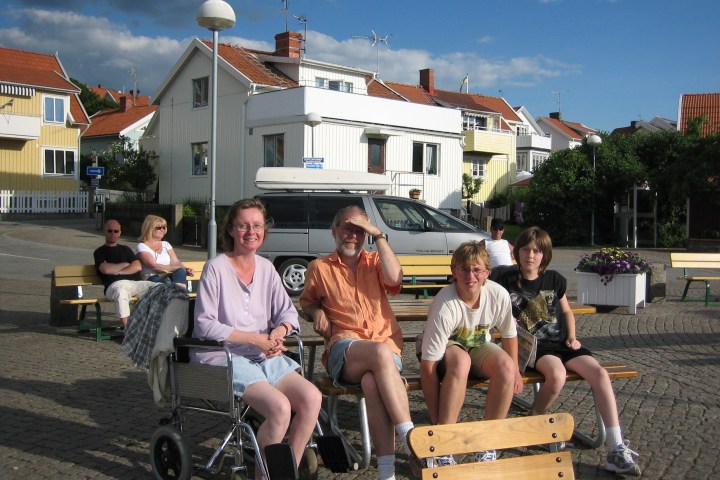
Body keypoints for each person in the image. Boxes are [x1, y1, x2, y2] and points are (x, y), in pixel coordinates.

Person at [493, 226, 641, 477]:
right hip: (535, 347)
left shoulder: (554, 279)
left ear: (545, 255)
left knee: (600, 375)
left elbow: (567, 312)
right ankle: (536, 419)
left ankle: (616, 447)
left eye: (537, 251)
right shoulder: (504, 279)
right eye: (526, 250)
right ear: (516, 252)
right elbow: (491, 305)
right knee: (557, 375)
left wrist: (572, 337)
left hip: (563, 343)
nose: (530, 255)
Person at [191, 199, 321, 479]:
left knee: (311, 397)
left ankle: (287, 471)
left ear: (265, 230)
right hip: (222, 355)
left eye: (257, 225)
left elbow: (288, 312)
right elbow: (204, 325)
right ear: (231, 230)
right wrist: (254, 339)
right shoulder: (216, 268)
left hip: (263, 354)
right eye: (244, 225)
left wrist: (279, 332)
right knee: (279, 407)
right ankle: (264, 476)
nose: (252, 231)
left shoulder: (266, 268)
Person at [300, 205, 414, 480]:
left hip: (384, 345)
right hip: (345, 349)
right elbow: (307, 302)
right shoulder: (320, 267)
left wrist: (380, 236)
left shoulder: (375, 261)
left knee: (372, 382)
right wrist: (316, 313)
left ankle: (386, 471)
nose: (353, 235)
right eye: (347, 228)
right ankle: (410, 437)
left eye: (359, 230)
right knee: (380, 353)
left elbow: (395, 279)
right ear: (334, 231)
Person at [418, 241, 522, 467]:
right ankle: (444, 444)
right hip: (444, 350)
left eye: (477, 270)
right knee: (461, 361)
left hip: (478, 344)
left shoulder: (498, 294)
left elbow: (509, 334)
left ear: (487, 273)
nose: (470, 276)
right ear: (454, 271)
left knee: (505, 367)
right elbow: (428, 368)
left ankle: (487, 442)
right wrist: (436, 427)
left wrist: (515, 370)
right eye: (464, 269)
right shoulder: (445, 305)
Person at [93, 219, 157, 327]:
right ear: (104, 232)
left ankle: (151, 326)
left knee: (159, 287)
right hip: (113, 286)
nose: (113, 233)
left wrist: (117, 271)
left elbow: (137, 266)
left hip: (134, 284)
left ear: (120, 233)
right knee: (121, 292)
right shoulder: (99, 251)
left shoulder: (125, 249)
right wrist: (125, 264)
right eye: (110, 231)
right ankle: (128, 329)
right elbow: (106, 270)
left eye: (116, 231)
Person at [135, 215, 193, 288]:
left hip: (167, 275)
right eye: (159, 228)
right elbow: (154, 266)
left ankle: (179, 294)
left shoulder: (166, 244)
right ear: (149, 229)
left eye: (164, 227)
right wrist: (174, 268)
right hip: (152, 277)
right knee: (167, 284)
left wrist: (186, 268)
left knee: (180, 271)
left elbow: (175, 262)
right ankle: (179, 295)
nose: (162, 230)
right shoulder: (142, 246)